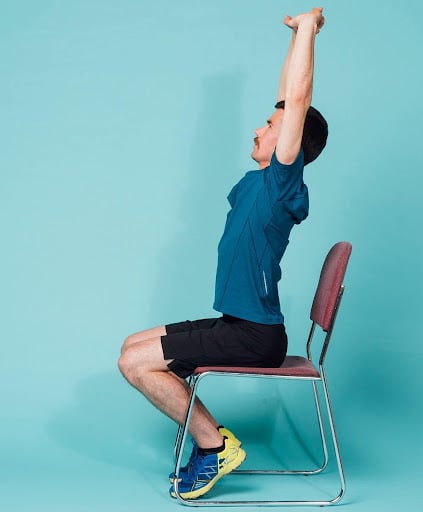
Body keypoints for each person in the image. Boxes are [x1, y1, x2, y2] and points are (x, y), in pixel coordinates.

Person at [118, 7, 328, 500]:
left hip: (256, 336)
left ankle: (213, 447)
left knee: (135, 366)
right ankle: (211, 439)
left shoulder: (282, 184)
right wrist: (298, 42)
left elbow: (296, 101)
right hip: (237, 324)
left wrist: (305, 31)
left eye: (271, 125)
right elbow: (287, 99)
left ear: (292, 145)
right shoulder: (260, 183)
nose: (259, 128)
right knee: (132, 347)